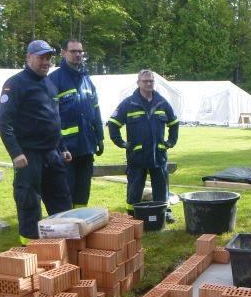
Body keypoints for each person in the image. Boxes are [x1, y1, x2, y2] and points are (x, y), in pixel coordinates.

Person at [0, 40, 72, 244]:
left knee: (61, 200)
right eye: (41, 57)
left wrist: (62, 147)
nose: (45, 62)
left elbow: (54, 121)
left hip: (52, 154)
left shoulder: (50, 84)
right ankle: (29, 248)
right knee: (29, 203)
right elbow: (3, 121)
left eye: (48, 58)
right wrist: (15, 152)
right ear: (29, 57)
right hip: (28, 155)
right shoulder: (15, 84)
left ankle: (64, 246)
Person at [107, 69, 179, 223]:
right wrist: (121, 143)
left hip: (158, 154)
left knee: (161, 187)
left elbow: (174, 123)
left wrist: (171, 142)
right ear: (138, 83)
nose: (148, 84)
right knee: (135, 188)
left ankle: (164, 213)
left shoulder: (162, 102)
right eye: (145, 81)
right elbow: (113, 124)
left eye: (151, 81)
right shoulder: (128, 103)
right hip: (137, 156)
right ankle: (132, 216)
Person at [48, 39, 104, 207]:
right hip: (66, 149)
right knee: (65, 190)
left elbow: (96, 109)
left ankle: (80, 225)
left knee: (83, 190)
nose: (78, 54)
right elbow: (50, 116)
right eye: (73, 51)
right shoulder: (54, 79)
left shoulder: (87, 79)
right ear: (64, 53)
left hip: (87, 146)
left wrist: (99, 137)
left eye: (80, 51)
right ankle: (66, 226)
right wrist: (59, 145)